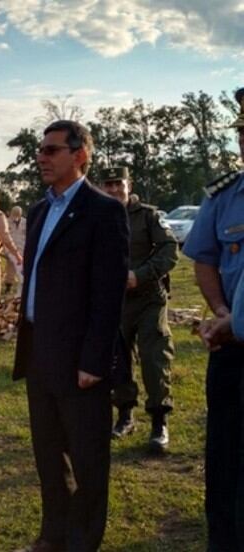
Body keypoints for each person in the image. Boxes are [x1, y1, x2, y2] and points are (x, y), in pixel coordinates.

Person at [13, 120, 129, 552]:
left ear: (80, 155)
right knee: (48, 454)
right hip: (40, 350)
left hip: (80, 357)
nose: (41, 156)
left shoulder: (103, 210)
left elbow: (108, 292)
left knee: (87, 458)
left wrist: (94, 360)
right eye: (40, 149)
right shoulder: (40, 209)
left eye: (52, 149)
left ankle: (82, 541)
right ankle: (53, 535)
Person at [183, 86, 244, 551]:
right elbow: (204, 257)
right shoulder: (225, 196)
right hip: (233, 349)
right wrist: (223, 312)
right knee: (225, 457)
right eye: (242, 131)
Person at [100, 166, 179, 452]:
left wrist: (141, 274)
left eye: (117, 184)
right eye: (107, 185)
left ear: (128, 184)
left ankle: (159, 423)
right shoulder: (98, 217)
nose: (113, 190)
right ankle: (125, 416)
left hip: (148, 299)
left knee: (154, 356)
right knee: (117, 361)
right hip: (114, 302)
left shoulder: (148, 215)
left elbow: (170, 250)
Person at [3, 205, 27, 297]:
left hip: (22, 248)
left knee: (20, 269)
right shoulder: (6, 222)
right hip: (10, 249)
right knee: (10, 269)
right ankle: (9, 287)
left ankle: (20, 290)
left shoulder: (25, 222)